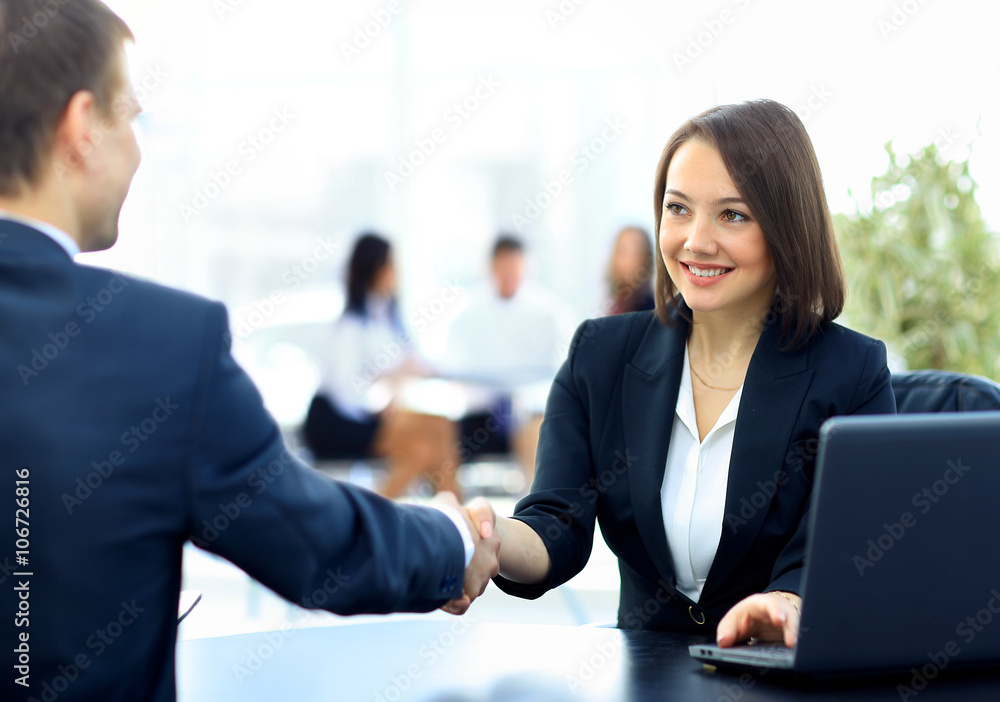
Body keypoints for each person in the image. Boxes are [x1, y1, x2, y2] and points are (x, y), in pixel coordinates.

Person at [0, 2, 497, 701]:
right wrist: (450, 538)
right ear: (82, 128)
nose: (138, 149)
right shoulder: (161, 344)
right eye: (130, 116)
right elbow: (317, 547)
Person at [471, 99, 896, 647]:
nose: (695, 240)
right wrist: (485, 536)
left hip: (776, 677)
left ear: (787, 227)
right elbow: (555, 524)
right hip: (645, 680)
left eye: (732, 214)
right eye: (678, 208)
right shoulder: (599, 356)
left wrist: (787, 604)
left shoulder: (851, 373)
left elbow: (840, 551)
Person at [304, 232, 461, 499]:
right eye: (389, 266)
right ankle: (459, 517)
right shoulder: (351, 326)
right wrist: (380, 406)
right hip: (337, 421)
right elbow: (347, 391)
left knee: (432, 436)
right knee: (428, 441)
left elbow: (414, 360)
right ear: (373, 269)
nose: (395, 274)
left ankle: (447, 515)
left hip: (368, 415)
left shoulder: (388, 317)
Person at [443, 235, 573, 486]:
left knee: (539, 436)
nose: (509, 275)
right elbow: (453, 371)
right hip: (478, 416)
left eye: (515, 268)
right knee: (439, 439)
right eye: (503, 268)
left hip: (529, 413)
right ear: (491, 268)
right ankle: (453, 516)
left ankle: (536, 515)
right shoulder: (465, 315)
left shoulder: (548, 313)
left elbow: (562, 370)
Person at [605, 226, 655, 315]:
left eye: (634, 252)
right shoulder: (616, 301)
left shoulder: (646, 309)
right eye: (621, 249)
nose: (622, 258)